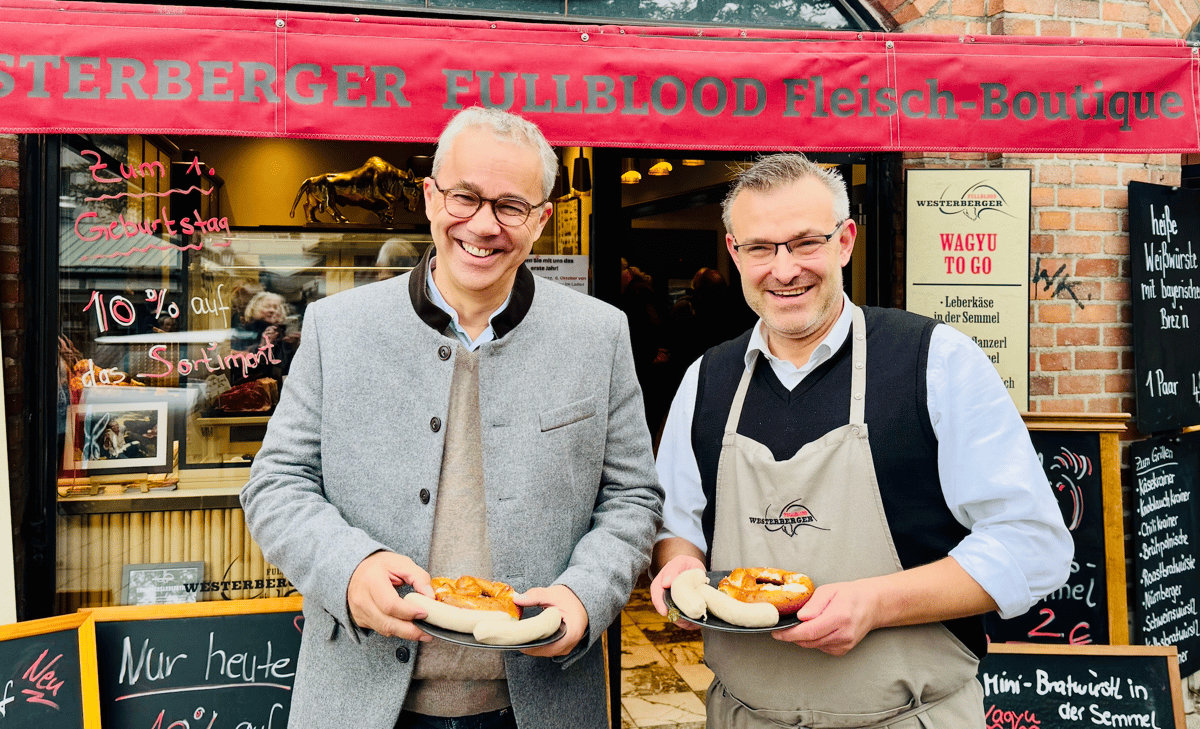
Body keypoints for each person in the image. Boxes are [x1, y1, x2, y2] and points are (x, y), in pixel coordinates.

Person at [241, 106, 663, 729]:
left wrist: (584, 595)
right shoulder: (338, 328)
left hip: (541, 704)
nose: (484, 226)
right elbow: (275, 485)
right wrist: (349, 568)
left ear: (542, 220)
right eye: (465, 197)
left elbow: (632, 498)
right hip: (359, 701)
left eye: (511, 206)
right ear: (431, 198)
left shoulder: (599, 335)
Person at [649, 154, 1072, 728]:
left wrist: (875, 604)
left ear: (846, 241)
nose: (784, 269)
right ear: (733, 253)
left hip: (911, 718)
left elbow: (1033, 544)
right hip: (744, 717)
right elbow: (678, 525)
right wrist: (678, 567)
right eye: (760, 248)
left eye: (805, 243)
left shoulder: (936, 361)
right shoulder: (706, 380)